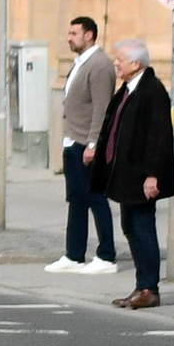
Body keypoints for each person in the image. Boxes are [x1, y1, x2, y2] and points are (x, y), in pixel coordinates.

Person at [89, 37, 174, 309]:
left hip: (141, 175)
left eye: (121, 59)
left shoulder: (152, 91)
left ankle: (150, 287)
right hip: (125, 173)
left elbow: (158, 137)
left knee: (142, 227)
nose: (116, 63)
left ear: (136, 64)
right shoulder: (127, 89)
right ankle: (141, 285)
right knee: (130, 226)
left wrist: (153, 175)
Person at [46, 16, 117, 275]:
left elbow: (102, 109)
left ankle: (106, 255)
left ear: (89, 35)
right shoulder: (81, 63)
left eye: (74, 33)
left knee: (96, 198)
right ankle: (74, 254)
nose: (69, 38)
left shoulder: (99, 65)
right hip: (72, 140)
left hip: (87, 143)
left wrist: (93, 144)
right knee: (76, 199)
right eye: (68, 32)